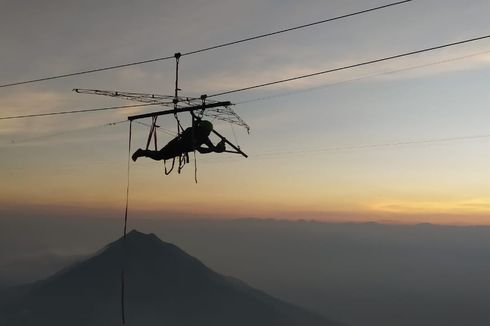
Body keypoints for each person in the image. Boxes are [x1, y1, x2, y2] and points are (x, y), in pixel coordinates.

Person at [131, 120, 225, 162]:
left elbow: (212, 147)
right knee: (159, 156)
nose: (207, 133)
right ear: (202, 129)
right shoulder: (191, 132)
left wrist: (220, 145)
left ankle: (142, 152)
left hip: (180, 150)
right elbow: (201, 150)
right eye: (206, 131)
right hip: (175, 146)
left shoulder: (204, 137)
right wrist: (213, 149)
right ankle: (141, 152)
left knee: (160, 156)